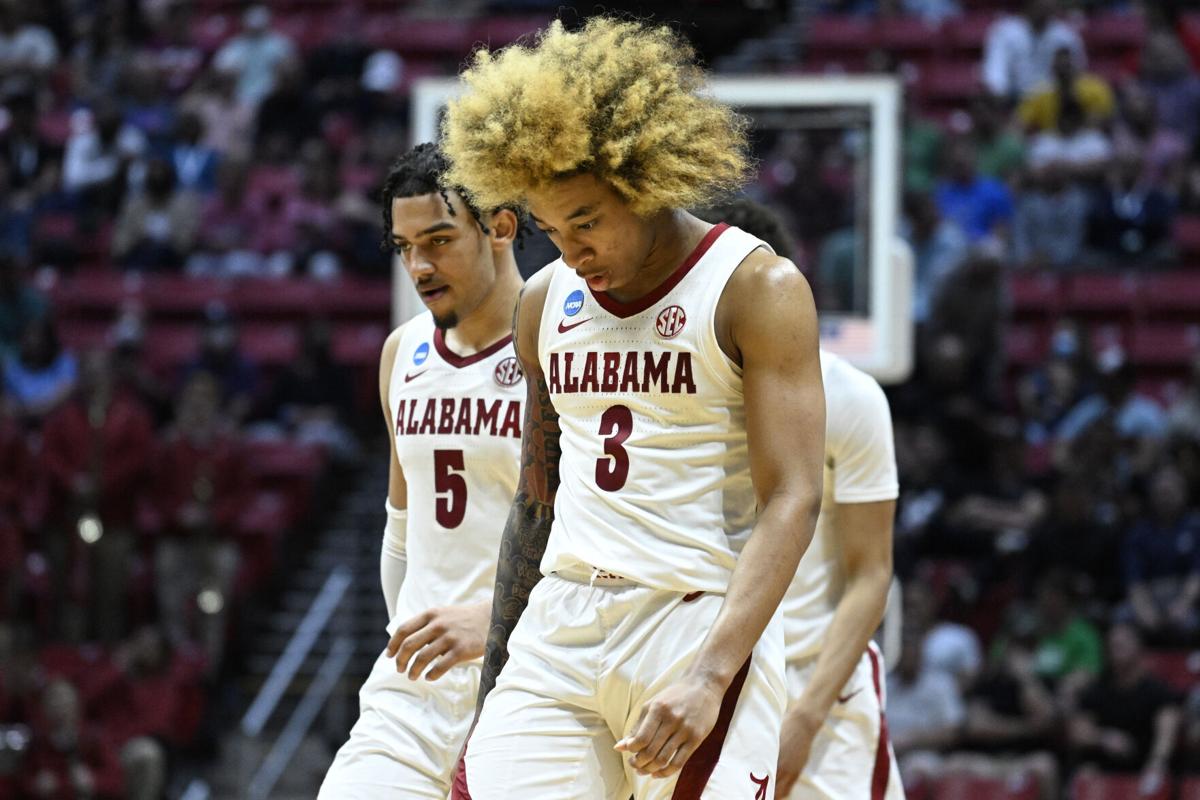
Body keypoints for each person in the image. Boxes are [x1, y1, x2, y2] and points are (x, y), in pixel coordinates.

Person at [442, 18, 826, 798]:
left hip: (693, 620)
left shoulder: (756, 289)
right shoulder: (544, 302)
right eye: (552, 229)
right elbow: (534, 500)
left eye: (587, 221)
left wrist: (713, 675)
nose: (572, 252)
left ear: (649, 179)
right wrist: (495, 687)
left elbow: (795, 495)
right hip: (561, 622)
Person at [317, 142, 524, 798]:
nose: (420, 266)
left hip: (535, 675)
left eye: (438, 240)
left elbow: (603, 543)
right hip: (414, 693)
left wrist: (495, 620)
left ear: (499, 226)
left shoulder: (564, 347)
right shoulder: (401, 353)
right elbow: (402, 530)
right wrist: (403, 640)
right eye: (405, 247)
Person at [696, 199, 902, 798]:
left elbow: (873, 574)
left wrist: (807, 716)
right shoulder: (679, 395)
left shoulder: (850, 396)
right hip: (709, 679)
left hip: (820, 694)